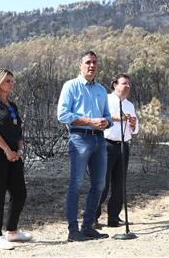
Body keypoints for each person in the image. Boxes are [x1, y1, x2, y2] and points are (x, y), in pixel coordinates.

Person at [57, 50, 113, 242]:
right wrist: (89, 121)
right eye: (88, 62)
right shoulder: (70, 86)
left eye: (94, 62)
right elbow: (63, 115)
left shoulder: (101, 90)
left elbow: (107, 115)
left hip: (99, 139)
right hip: (79, 139)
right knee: (76, 184)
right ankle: (73, 231)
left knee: (99, 184)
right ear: (80, 65)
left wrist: (107, 122)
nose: (91, 66)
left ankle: (88, 226)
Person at [0, 68, 32, 250]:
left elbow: (18, 130)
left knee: (20, 192)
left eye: (12, 80)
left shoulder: (12, 105)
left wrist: (18, 148)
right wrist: (6, 150)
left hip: (13, 152)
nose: (11, 83)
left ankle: (12, 231)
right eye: (7, 81)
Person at [95, 73, 139, 228]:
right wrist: (116, 118)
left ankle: (113, 217)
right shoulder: (106, 100)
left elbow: (135, 130)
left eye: (129, 84)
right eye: (124, 83)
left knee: (119, 184)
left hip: (123, 145)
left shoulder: (130, 105)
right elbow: (98, 116)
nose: (127, 86)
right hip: (106, 145)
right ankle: (93, 218)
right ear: (115, 85)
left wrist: (133, 123)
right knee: (103, 183)